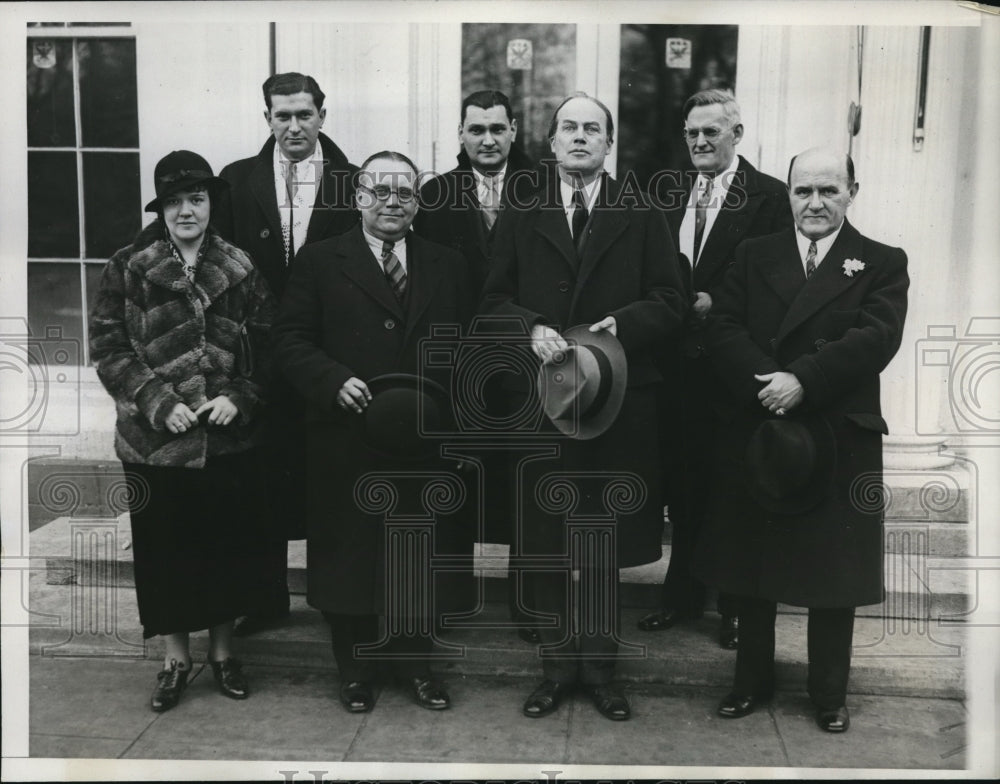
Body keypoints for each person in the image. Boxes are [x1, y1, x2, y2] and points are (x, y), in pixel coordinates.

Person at [481, 93, 687, 721]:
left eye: (591, 129)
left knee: (599, 541)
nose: (578, 138)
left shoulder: (643, 211)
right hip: (544, 401)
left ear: (608, 143)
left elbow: (670, 300)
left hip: (618, 400)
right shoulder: (522, 211)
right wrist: (532, 327)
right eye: (567, 127)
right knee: (545, 541)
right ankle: (552, 671)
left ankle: (599, 671)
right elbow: (491, 301)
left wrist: (621, 323)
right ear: (548, 141)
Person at [694, 147, 908, 732]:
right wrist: (769, 384)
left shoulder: (881, 262)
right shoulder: (753, 254)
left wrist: (803, 381)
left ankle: (828, 694)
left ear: (851, 192)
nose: (814, 203)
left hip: (837, 434)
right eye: (802, 191)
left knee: (831, 575)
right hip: (763, 424)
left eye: (828, 191)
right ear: (787, 194)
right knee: (753, 568)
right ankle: (750, 682)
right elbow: (723, 325)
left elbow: (876, 338)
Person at [271, 151, 473, 714]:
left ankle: (417, 667)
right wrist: (331, 380)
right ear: (358, 197)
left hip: (423, 440)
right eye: (379, 191)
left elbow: (467, 348)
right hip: (347, 435)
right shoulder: (319, 261)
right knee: (352, 555)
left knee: (417, 553)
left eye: (404, 193)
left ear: (418, 201)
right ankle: (356, 671)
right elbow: (289, 339)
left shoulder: (447, 264)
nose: (392, 202)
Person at [89, 150, 276, 712]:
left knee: (225, 547)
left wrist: (238, 398)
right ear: (161, 209)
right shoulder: (129, 265)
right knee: (165, 551)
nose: (186, 211)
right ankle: (176, 659)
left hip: (226, 440)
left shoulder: (241, 266)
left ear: (211, 203)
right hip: (154, 444)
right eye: (174, 202)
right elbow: (107, 346)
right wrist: (156, 401)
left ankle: (222, 654)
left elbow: (269, 346)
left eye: (196, 199)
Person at [641, 89, 792, 649]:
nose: (700, 142)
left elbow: (776, 281)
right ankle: (680, 596)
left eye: (711, 132)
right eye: (692, 133)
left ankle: (733, 608)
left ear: (737, 134)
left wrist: (715, 304)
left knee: (732, 488)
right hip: (677, 366)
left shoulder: (771, 196)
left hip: (734, 367)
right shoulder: (670, 191)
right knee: (682, 487)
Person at [215, 72, 359, 636]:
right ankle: (265, 597)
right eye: (282, 116)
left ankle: (335, 599)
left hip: (328, 353)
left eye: (304, 114)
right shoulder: (236, 181)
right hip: (256, 358)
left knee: (330, 478)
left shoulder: (353, 181)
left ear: (323, 114)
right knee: (260, 480)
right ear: (267, 118)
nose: (293, 126)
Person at [415, 89, 540, 641]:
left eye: (497, 128)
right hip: (460, 363)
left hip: (527, 361)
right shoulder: (437, 194)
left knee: (528, 483)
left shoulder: (544, 188)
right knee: (456, 478)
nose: (487, 140)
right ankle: (452, 598)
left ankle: (530, 600)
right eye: (475, 130)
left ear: (515, 131)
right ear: (461, 135)